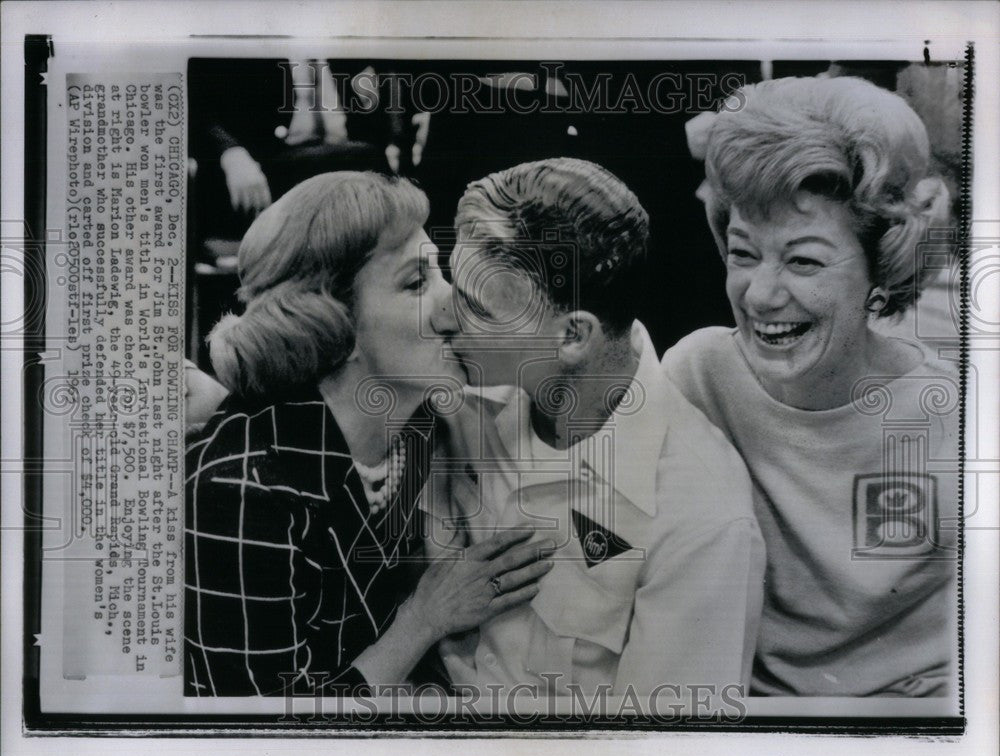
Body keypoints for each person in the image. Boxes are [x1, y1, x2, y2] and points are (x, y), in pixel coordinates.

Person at [185, 172, 553, 697]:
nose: (457, 305)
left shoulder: (418, 425)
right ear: (334, 326)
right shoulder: (243, 496)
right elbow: (269, 742)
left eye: (441, 275)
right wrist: (425, 617)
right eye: (416, 283)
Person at [422, 158, 766, 700]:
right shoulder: (461, 397)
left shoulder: (701, 520)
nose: (441, 316)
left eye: (475, 306)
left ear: (572, 338)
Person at [663, 76, 958, 697]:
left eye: (803, 261)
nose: (761, 295)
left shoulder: (949, 415)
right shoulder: (696, 377)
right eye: (743, 254)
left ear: (885, 266)